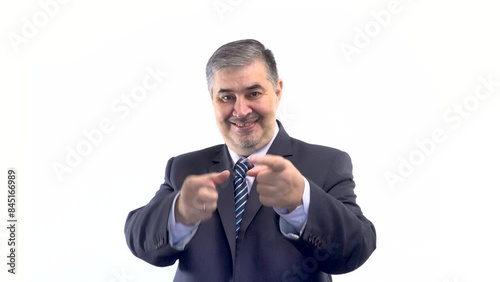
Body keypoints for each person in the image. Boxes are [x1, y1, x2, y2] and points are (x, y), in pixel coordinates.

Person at [124, 39, 376, 281]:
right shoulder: (184, 168)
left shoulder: (327, 163)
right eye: (226, 97)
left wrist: (302, 202)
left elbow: (356, 249)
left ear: (277, 92)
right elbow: (140, 242)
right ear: (212, 98)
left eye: (253, 93)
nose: (241, 111)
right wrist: (177, 214)